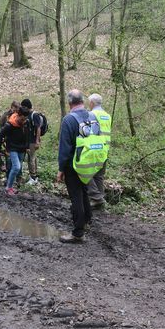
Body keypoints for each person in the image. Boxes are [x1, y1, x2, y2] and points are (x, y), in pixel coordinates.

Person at [56, 89, 97, 243]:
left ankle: (78, 233)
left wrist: (61, 169)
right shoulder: (92, 116)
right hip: (90, 162)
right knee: (84, 191)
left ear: (69, 103)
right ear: (83, 101)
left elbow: (64, 148)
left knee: (76, 197)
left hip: (74, 164)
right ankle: (87, 219)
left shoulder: (68, 120)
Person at [87, 93, 112, 208]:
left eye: (89, 103)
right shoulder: (107, 115)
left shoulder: (92, 114)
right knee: (99, 175)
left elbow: (91, 132)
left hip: (95, 149)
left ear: (92, 103)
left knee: (85, 172)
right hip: (105, 149)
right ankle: (99, 199)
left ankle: (96, 197)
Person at [0, 106, 30, 195]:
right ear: (18, 115)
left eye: (25, 119)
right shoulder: (10, 125)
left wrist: (27, 146)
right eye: (22, 119)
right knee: (16, 167)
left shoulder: (26, 122)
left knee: (14, 168)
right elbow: (0, 136)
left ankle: (10, 185)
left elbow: (27, 134)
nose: (24, 121)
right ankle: (8, 188)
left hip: (22, 149)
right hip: (12, 148)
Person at [21, 98, 41, 185]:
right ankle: (33, 176)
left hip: (33, 141)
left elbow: (38, 128)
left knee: (31, 159)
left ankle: (33, 178)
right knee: (30, 158)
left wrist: (37, 141)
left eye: (23, 107)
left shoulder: (34, 115)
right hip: (27, 140)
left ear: (26, 107)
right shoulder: (27, 114)